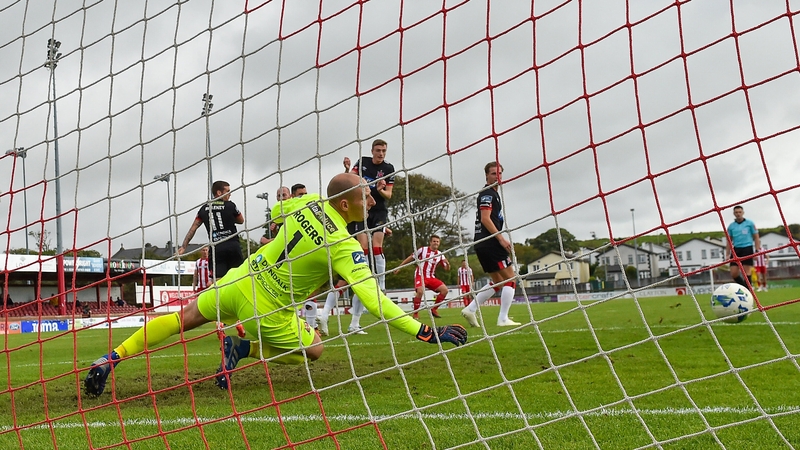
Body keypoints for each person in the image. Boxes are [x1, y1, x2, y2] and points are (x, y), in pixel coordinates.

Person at [83, 173, 466, 397]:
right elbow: (373, 297)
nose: (371, 199)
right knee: (316, 349)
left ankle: (109, 359)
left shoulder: (310, 201)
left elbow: (281, 209)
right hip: (266, 308)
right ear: (347, 206)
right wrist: (424, 333)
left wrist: (286, 207)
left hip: (240, 279)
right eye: (365, 195)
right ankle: (243, 347)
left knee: (183, 318)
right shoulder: (345, 246)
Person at [461, 162, 521, 328]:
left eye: (500, 173)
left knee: (498, 281)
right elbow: (485, 218)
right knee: (511, 279)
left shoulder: (494, 195)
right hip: (490, 243)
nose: (498, 176)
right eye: (494, 173)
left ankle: (470, 309)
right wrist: (501, 238)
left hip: (482, 244)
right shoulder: (488, 194)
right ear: (487, 176)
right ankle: (503, 319)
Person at [178, 181, 245, 279]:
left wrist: (184, 246)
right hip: (232, 246)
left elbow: (193, 228)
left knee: (218, 281)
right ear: (219, 193)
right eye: (228, 191)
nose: (230, 194)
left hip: (217, 248)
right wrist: (228, 217)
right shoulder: (230, 205)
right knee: (239, 277)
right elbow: (241, 221)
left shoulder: (204, 208)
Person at [395, 235, 451, 319]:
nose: (436, 243)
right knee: (420, 292)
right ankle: (415, 314)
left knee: (445, 290)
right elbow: (411, 258)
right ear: (430, 242)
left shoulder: (440, 254)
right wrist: (400, 267)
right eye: (434, 241)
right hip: (420, 275)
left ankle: (434, 309)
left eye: (437, 242)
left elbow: (446, 269)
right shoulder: (422, 250)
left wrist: (448, 264)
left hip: (431, 277)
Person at [725, 205, 760, 292]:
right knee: (734, 273)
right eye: (736, 212)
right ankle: (745, 288)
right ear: (734, 213)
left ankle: (748, 291)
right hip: (736, 249)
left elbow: (756, 237)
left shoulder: (750, 223)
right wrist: (727, 253)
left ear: (743, 212)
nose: (738, 214)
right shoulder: (731, 226)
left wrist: (757, 250)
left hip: (747, 248)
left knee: (746, 271)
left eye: (740, 212)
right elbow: (729, 240)